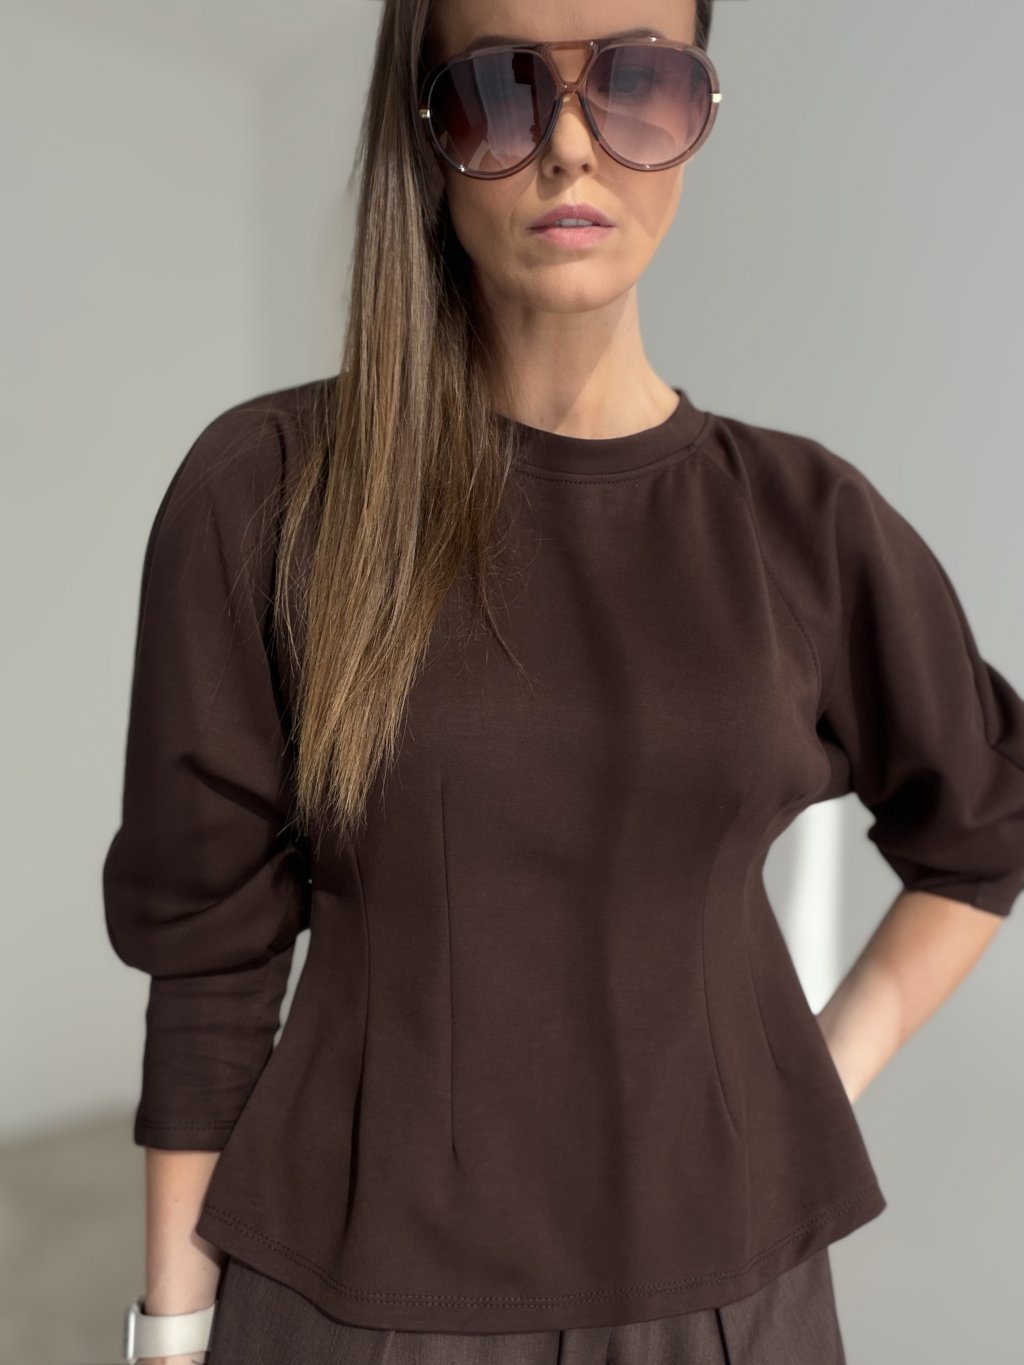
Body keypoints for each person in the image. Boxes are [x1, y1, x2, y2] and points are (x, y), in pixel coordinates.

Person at [103, 0, 1024, 1362]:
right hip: (354, 1311)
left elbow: (985, 823)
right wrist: (170, 1340)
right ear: (426, 130)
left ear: (701, 116)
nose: (574, 145)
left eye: (641, 81)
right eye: (504, 89)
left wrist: (808, 1082)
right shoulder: (272, 493)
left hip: (730, 1309)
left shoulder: (803, 522)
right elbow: (209, 966)